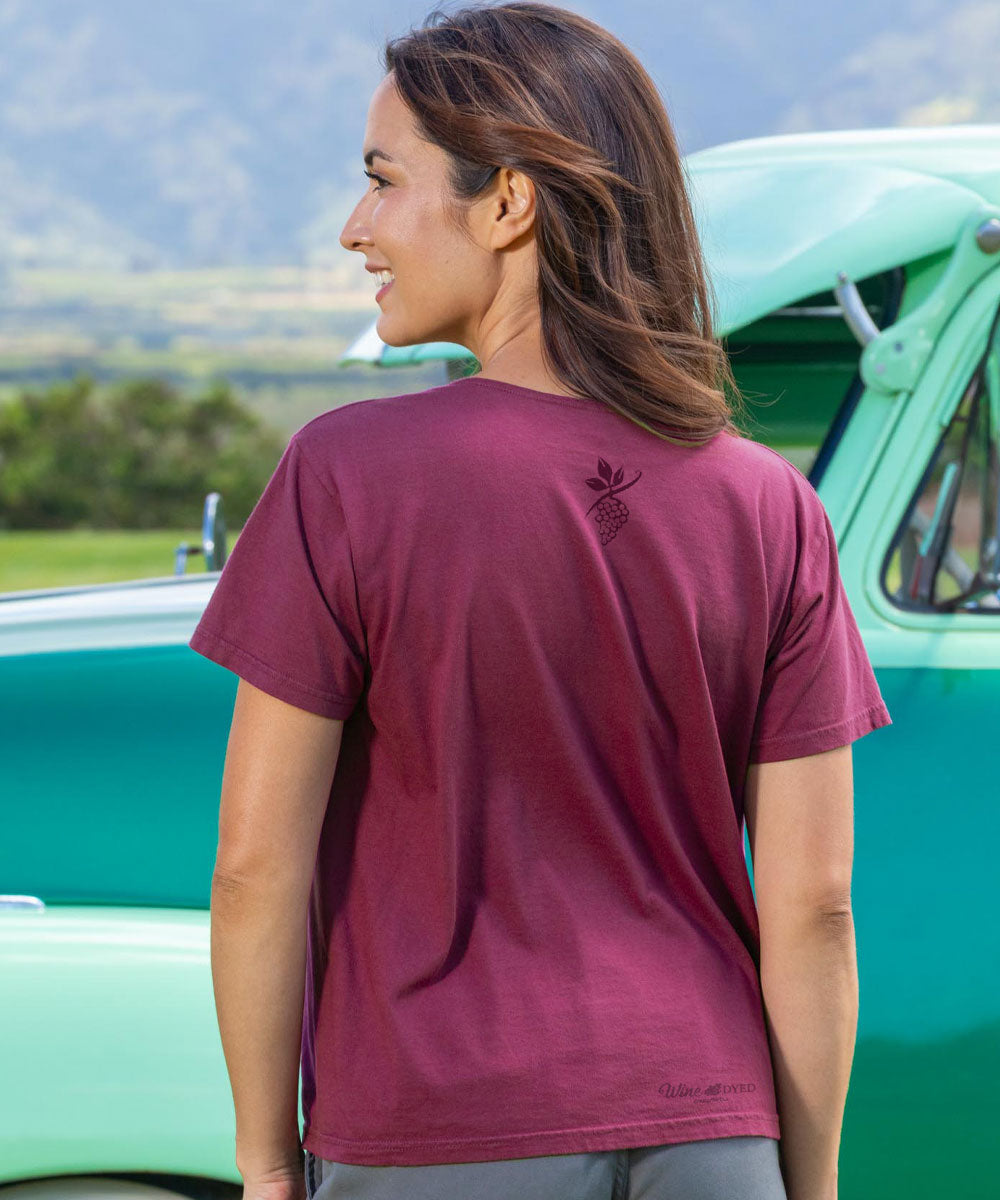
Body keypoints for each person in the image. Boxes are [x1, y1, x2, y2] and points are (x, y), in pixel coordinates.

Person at [188, 4, 892, 1199]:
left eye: (383, 181)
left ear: (509, 202)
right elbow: (815, 906)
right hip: (711, 1133)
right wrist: (800, 1177)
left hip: (437, 1132)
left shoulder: (348, 474)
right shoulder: (771, 508)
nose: (358, 230)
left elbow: (257, 865)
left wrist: (265, 1165)